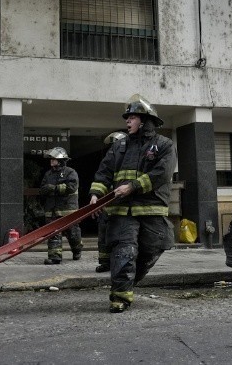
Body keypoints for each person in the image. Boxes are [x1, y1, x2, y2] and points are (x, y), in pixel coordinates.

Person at [89, 94, 176, 313]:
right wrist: (96, 195)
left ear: (145, 119)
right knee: (125, 251)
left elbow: (162, 173)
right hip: (121, 210)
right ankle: (120, 296)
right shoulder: (119, 146)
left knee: (155, 247)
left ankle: (126, 283)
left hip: (151, 209)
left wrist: (133, 186)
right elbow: (104, 172)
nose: (127, 121)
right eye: (127, 118)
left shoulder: (164, 145)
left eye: (132, 117)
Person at [40, 146, 82, 265]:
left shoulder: (70, 172)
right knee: (53, 233)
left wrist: (54, 188)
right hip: (52, 210)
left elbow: (72, 187)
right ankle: (55, 257)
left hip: (68, 210)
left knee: (73, 234)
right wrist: (47, 189)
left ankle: (77, 249)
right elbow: (42, 189)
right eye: (51, 159)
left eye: (54, 159)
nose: (51, 161)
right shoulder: (48, 174)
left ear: (61, 160)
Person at [95, 131, 128, 273]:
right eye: (111, 147)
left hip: (123, 208)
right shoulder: (107, 163)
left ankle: (121, 262)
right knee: (103, 237)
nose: (112, 150)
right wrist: (95, 197)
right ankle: (104, 263)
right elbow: (101, 180)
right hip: (107, 207)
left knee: (121, 238)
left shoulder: (129, 162)